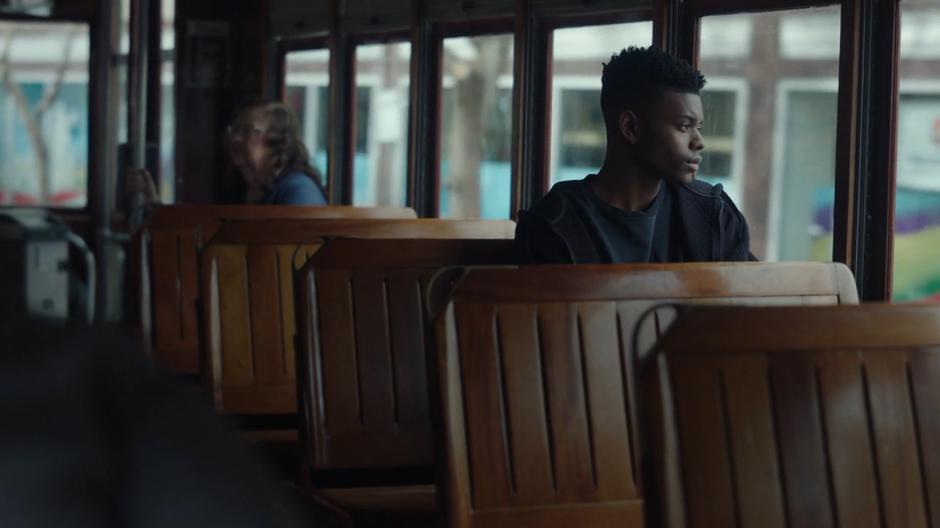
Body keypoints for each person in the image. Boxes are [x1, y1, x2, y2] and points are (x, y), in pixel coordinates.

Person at [514, 46, 756, 264]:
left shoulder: (714, 214)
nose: (699, 142)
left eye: (699, 127)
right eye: (684, 126)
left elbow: (742, 309)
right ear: (630, 127)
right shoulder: (554, 226)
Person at [126, 101, 327, 208]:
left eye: (247, 131)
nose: (236, 139)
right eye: (234, 130)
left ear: (276, 141)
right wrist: (154, 205)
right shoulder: (237, 186)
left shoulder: (298, 191)